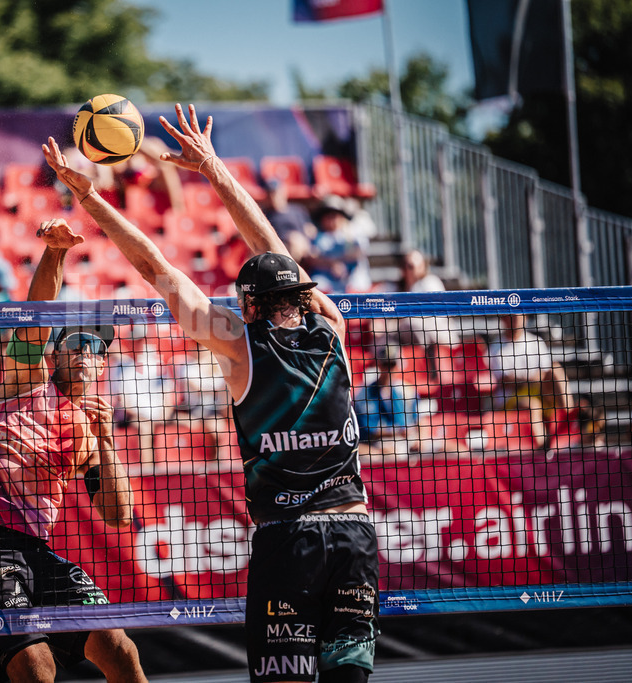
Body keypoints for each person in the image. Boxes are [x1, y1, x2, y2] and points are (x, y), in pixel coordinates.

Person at [44, 102, 378, 682]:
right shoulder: (333, 327)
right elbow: (275, 249)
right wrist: (215, 169)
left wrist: (90, 197)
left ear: (246, 304)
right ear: (298, 292)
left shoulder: (240, 345)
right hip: (355, 533)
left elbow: (157, 269)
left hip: (288, 538)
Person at [0, 219, 146, 683]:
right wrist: (55, 252)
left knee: (119, 648)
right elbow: (33, 318)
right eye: (77, 343)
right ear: (54, 354)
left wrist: (107, 443)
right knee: (35, 666)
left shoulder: (88, 430)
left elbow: (117, 515)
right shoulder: (24, 382)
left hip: (32, 548)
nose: (88, 354)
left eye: (97, 348)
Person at [107, 323, 173, 472]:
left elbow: (167, 395)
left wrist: (164, 413)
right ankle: (149, 473)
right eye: (134, 340)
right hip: (131, 415)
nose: (137, 343)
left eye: (140, 339)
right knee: (145, 426)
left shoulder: (156, 363)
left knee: (197, 424)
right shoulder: (120, 365)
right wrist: (145, 416)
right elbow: (124, 402)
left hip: (158, 414)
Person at [355, 345, 421, 460]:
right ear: (379, 365)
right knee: (390, 455)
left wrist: (421, 438)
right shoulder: (364, 394)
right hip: (378, 444)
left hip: (407, 442)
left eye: (392, 364)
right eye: (386, 364)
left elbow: (421, 420)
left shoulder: (407, 390)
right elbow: (370, 431)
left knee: (449, 449)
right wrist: (398, 432)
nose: (389, 369)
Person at [301, 195, 372, 294]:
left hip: (351, 278)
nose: (332, 219)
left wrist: (340, 263)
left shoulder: (353, 232)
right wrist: (332, 264)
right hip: (324, 280)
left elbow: (360, 251)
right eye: (327, 215)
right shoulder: (317, 236)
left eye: (335, 215)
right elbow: (311, 257)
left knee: (358, 282)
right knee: (317, 286)